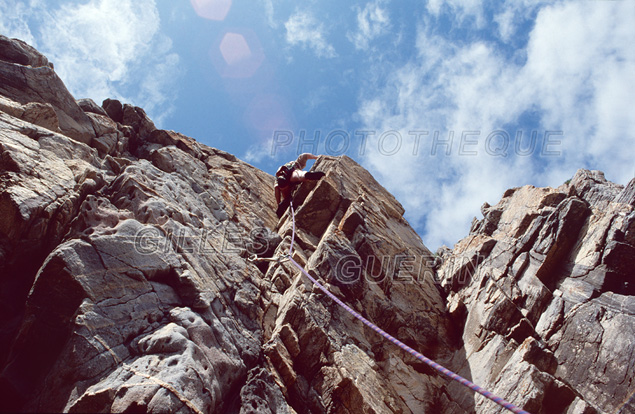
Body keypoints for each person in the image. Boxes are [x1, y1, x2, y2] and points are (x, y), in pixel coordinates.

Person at [274, 153, 325, 217]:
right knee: (299, 174)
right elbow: (305, 155)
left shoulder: (279, 174)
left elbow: (276, 189)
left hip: (283, 181)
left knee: (284, 190)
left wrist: (278, 203)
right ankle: (305, 175)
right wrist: (316, 157)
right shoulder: (295, 163)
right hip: (293, 173)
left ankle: (285, 201)